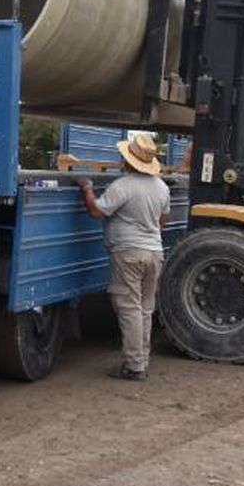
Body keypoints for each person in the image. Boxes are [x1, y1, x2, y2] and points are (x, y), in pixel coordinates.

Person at [76, 132, 171, 381]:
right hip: (154, 253)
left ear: (129, 161)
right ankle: (142, 359)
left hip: (129, 253)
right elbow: (163, 220)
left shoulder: (123, 185)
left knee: (129, 308)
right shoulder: (161, 187)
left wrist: (87, 188)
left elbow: (97, 211)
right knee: (145, 308)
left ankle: (134, 366)